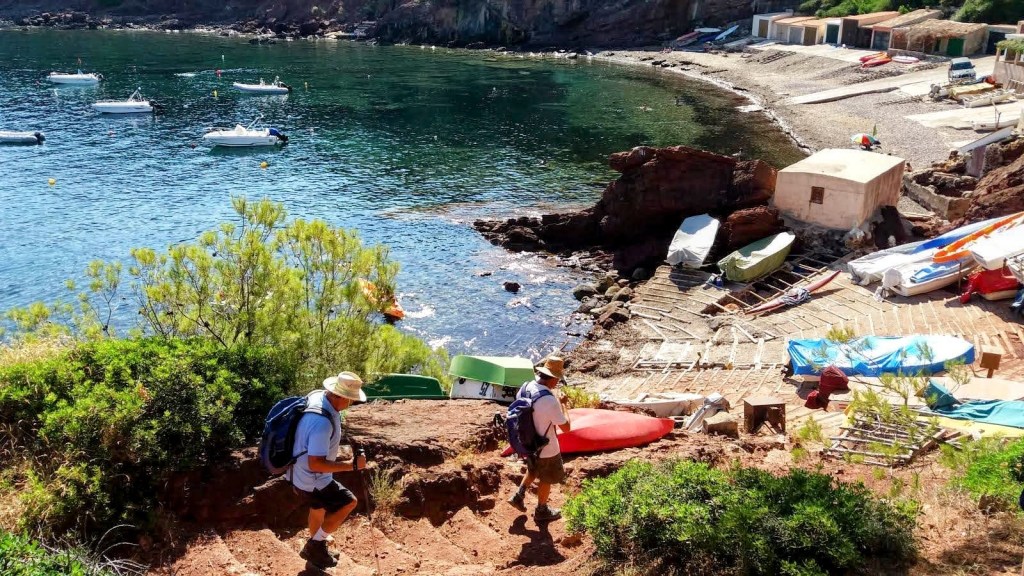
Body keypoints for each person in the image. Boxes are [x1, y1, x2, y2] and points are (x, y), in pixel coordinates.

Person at [291, 371, 368, 569]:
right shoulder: (321, 423)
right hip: (312, 479)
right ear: (339, 396)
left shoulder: (318, 397)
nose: (350, 403)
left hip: (297, 474)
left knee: (318, 509)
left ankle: (317, 550)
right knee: (349, 502)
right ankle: (315, 546)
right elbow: (315, 463)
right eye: (350, 399)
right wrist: (352, 465)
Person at [507, 356, 572, 522]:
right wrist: (564, 404)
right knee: (546, 478)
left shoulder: (527, 386)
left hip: (527, 442)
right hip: (546, 448)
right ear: (554, 379)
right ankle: (542, 510)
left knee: (533, 469)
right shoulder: (549, 400)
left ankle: (518, 496)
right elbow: (566, 427)